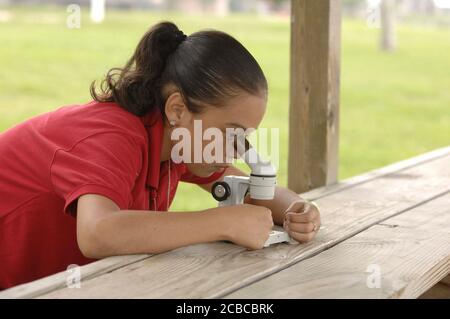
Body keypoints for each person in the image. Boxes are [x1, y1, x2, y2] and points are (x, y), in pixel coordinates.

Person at [0, 21, 321, 289]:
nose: (236, 150)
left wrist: (296, 208)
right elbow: (97, 233)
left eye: (244, 138)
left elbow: (250, 190)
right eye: (230, 133)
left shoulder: (179, 143)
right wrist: (220, 221)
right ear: (177, 108)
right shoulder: (112, 136)